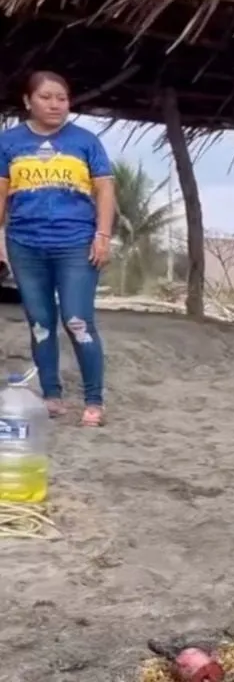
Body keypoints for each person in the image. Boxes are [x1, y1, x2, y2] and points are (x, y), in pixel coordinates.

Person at [0, 70, 115, 427]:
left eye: (62, 98)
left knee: (77, 321)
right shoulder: (9, 142)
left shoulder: (85, 141)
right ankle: (51, 396)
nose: (55, 104)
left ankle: (94, 401)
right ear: (27, 101)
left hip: (76, 246)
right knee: (40, 324)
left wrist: (102, 235)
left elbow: (105, 190)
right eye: (46, 97)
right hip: (25, 245)